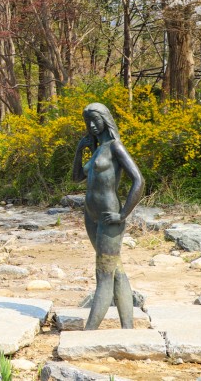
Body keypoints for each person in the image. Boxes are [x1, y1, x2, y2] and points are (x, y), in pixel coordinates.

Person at [72, 102, 145, 330]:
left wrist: (123, 215)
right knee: (116, 271)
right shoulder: (96, 151)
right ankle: (128, 327)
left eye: (96, 120)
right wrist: (79, 150)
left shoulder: (115, 147)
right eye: (88, 122)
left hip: (109, 217)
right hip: (91, 216)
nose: (92, 125)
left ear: (106, 119)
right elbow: (76, 178)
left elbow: (139, 181)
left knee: (103, 274)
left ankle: (90, 330)